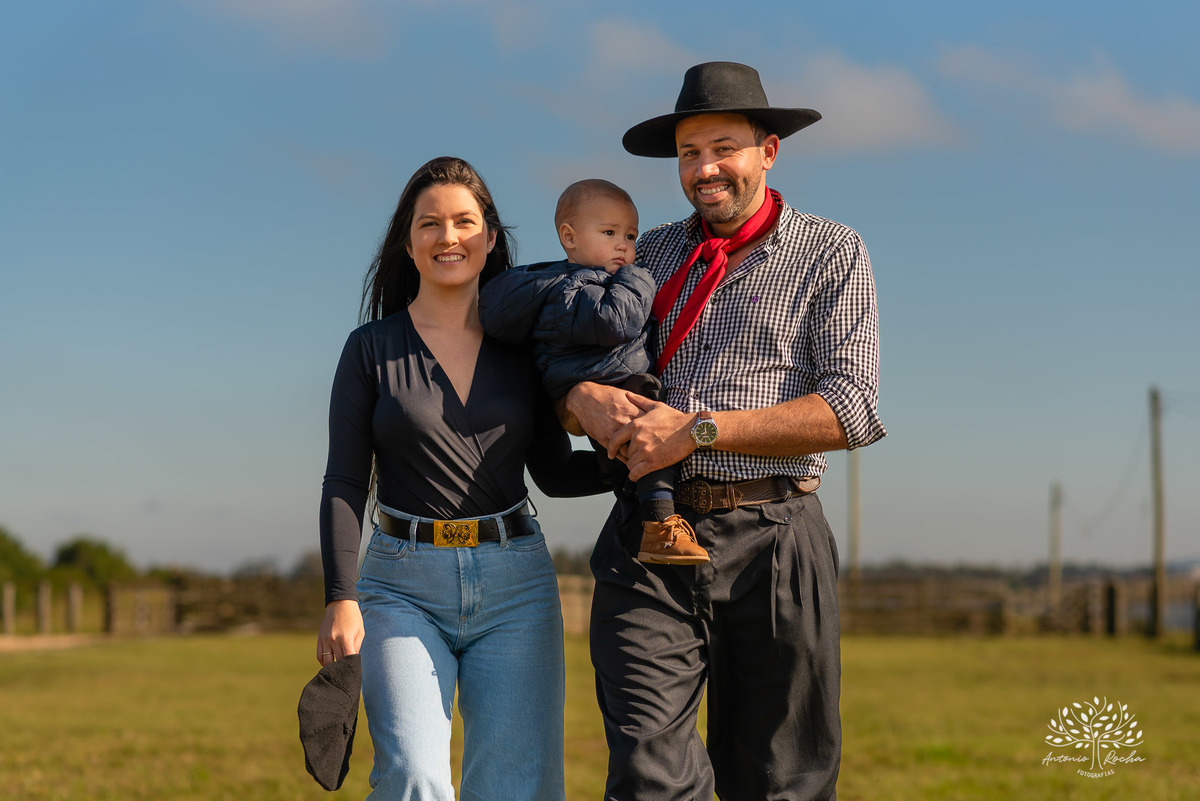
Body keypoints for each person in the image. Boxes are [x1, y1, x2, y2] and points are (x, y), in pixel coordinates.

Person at [561, 62, 887, 800]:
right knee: (650, 777)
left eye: (722, 148)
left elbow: (852, 406)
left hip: (778, 534)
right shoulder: (644, 256)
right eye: (687, 153)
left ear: (768, 150)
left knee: (781, 781)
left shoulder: (833, 253)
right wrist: (579, 398)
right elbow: (569, 367)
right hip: (650, 532)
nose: (703, 168)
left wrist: (699, 430)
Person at [315, 156, 603, 801]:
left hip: (516, 585)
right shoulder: (370, 348)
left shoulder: (528, 349)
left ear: (491, 237)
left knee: (516, 786)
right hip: (400, 586)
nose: (449, 237)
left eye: (465, 222)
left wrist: (639, 456)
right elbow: (343, 479)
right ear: (408, 242)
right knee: (413, 776)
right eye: (430, 224)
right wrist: (341, 594)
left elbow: (554, 472)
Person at [479, 178, 707, 565]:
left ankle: (617, 476)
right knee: (649, 418)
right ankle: (660, 524)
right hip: (611, 378)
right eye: (610, 232)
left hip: (572, 382)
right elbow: (617, 321)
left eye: (630, 235)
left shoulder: (550, 285)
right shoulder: (577, 286)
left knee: (563, 474)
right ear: (569, 237)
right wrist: (639, 277)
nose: (624, 245)